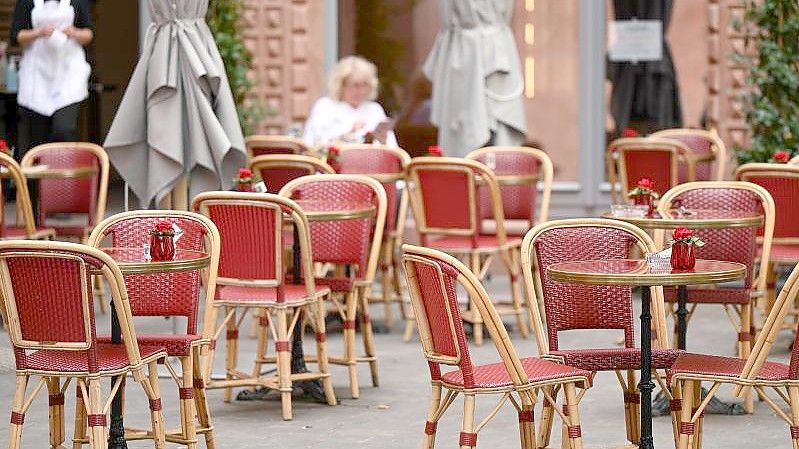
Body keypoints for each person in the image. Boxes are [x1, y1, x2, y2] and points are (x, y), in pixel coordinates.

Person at [11, 0, 93, 154]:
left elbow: (88, 33)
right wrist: (39, 32)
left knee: (64, 130)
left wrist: (74, 32)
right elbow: (16, 36)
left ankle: (65, 174)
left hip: (68, 76)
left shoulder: (77, 1)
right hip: (37, 77)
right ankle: (36, 176)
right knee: (37, 139)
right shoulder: (26, 2)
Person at [303, 56, 397, 147]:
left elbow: (392, 148)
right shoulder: (325, 106)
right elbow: (316, 144)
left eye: (365, 85)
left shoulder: (374, 109)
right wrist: (349, 132)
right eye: (355, 85)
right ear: (341, 85)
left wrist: (383, 141)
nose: (361, 91)